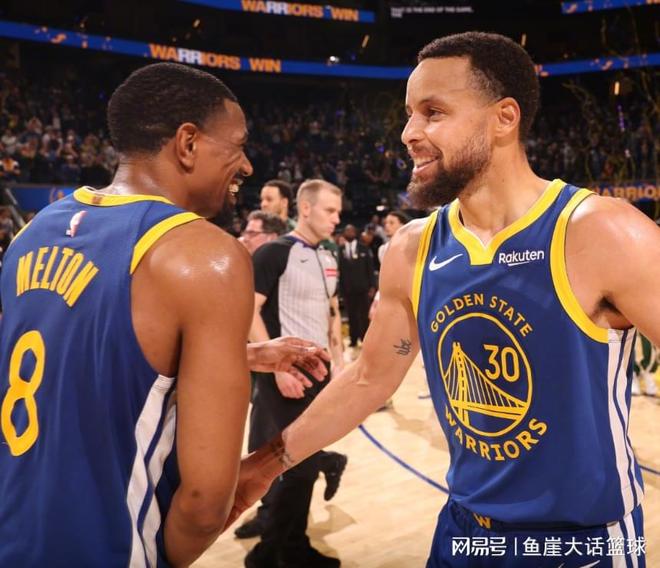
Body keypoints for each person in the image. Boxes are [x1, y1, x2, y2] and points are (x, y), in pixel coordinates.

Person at [230, 32, 660, 567]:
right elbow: (369, 378)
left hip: (580, 542)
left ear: (504, 118)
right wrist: (265, 464)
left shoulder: (602, 232)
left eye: (432, 112)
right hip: (462, 529)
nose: (409, 133)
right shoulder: (412, 248)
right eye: (409, 115)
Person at [0, 62, 330, 567]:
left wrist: (241, 355)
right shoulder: (206, 255)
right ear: (188, 143)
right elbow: (205, 502)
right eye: (238, 145)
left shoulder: (33, 232)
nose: (246, 165)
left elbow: (84, 359)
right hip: (107, 549)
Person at [244, 179, 345, 568]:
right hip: (287, 376)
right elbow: (248, 311)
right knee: (296, 467)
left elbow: (331, 311)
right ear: (305, 208)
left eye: (338, 212)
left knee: (303, 466)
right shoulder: (274, 252)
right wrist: (276, 368)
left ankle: (291, 546)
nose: (336, 219)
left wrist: (338, 360)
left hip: (319, 375)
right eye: (329, 211)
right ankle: (271, 554)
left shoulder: (327, 256)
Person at [339, 224, 376, 352]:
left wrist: (373, 286)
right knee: (351, 315)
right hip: (348, 289)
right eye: (347, 230)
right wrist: (341, 290)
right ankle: (353, 339)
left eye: (352, 230)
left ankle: (365, 339)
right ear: (344, 233)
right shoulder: (340, 250)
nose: (350, 232)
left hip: (363, 288)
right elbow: (340, 272)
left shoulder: (364, 248)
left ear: (355, 233)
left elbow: (370, 268)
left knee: (364, 315)